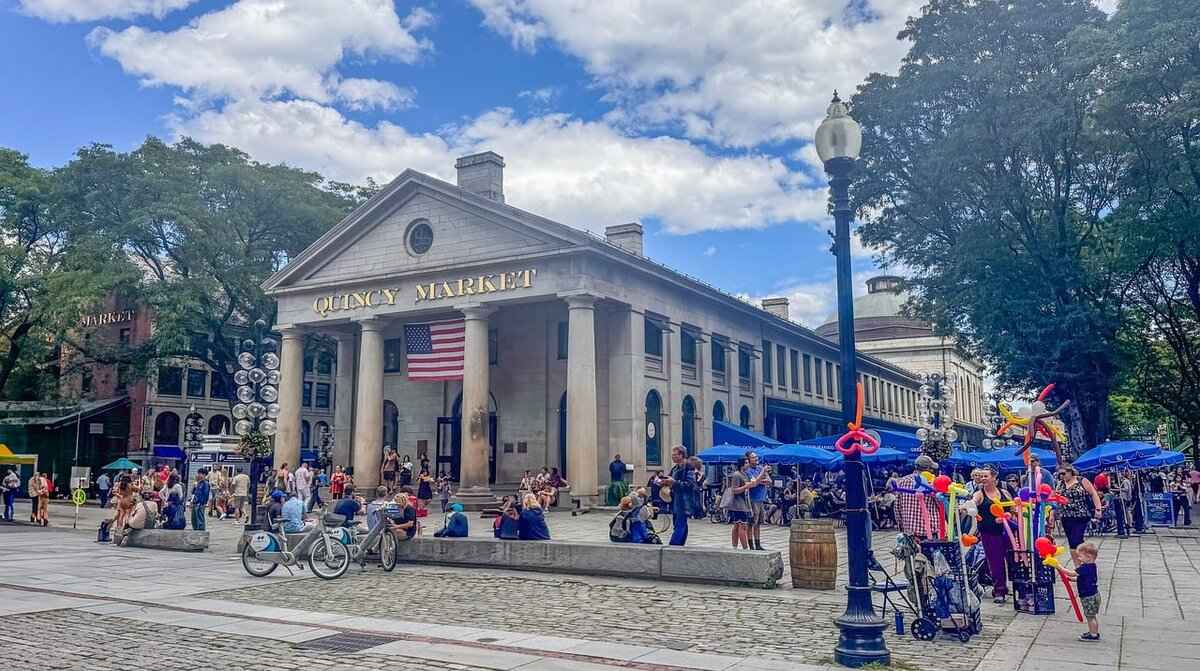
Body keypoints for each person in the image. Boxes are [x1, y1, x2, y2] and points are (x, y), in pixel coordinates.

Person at [971, 466, 1012, 603]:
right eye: (981, 476)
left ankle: (1016, 587)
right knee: (996, 562)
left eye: (985, 476)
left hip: (1008, 532)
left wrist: (1009, 515)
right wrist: (966, 507)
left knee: (1013, 559)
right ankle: (999, 590)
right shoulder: (979, 494)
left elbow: (1013, 508)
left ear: (994, 477)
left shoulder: (1004, 492)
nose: (982, 479)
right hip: (989, 533)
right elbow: (973, 503)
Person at [1056, 464, 1102, 558]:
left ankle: (1084, 559)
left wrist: (1098, 509)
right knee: (1071, 541)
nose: (1062, 476)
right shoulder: (1060, 484)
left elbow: (1093, 494)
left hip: (1081, 514)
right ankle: (1078, 564)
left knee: (1077, 539)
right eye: (1059, 474)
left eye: (1063, 473)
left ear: (1070, 472)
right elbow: (1056, 497)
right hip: (1066, 516)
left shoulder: (1082, 481)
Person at [894, 455, 942, 541]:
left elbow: (897, 507)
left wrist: (901, 527)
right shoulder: (932, 482)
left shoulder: (902, 481)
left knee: (912, 554)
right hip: (930, 530)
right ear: (928, 469)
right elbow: (940, 504)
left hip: (910, 530)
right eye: (932, 469)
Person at [1061, 542, 1102, 641]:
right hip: (1094, 594)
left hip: (1088, 597)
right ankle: (1094, 632)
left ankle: (1093, 635)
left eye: (1080, 556)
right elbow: (1084, 579)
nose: (1079, 558)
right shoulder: (1092, 566)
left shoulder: (1084, 568)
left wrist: (1059, 567)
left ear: (1088, 557)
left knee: (1090, 617)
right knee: (1092, 616)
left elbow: (1071, 573)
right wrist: (1072, 580)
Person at [657, 446, 695, 546]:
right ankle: (680, 546)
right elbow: (669, 480)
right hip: (675, 500)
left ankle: (673, 546)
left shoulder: (688, 467)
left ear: (682, 455)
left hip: (684, 501)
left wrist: (674, 483)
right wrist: (663, 482)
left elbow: (690, 485)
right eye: (672, 455)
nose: (673, 457)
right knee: (680, 523)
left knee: (680, 524)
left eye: (675, 455)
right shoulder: (675, 468)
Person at [744, 451, 772, 550]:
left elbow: (769, 481)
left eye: (756, 457)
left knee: (759, 523)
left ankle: (758, 544)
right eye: (753, 457)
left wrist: (760, 479)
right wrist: (761, 476)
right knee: (752, 523)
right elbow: (754, 483)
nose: (756, 459)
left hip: (761, 499)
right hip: (753, 499)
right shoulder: (747, 470)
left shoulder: (760, 468)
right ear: (748, 459)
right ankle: (751, 545)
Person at [724, 457, 754, 549]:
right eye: (746, 463)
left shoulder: (746, 474)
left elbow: (753, 482)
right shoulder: (737, 475)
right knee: (742, 525)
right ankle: (744, 547)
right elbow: (734, 490)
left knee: (737, 525)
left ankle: (735, 546)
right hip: (738, 504)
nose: (748, 464)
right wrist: (746, 486)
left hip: (745, 502)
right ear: (741, 464)